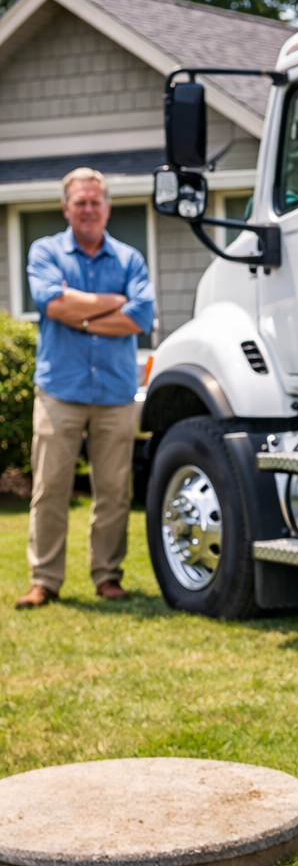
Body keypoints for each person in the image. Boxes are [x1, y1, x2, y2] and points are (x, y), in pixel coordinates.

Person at [16, 168, 155, 609]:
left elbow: (140, 318)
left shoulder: (130, 259)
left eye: (96, 201)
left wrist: (77, 309)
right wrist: (112, 302)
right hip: (60, 389)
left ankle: (108, 577)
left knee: (114, 492)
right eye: (80, 202)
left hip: (115, 393)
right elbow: (52, 304)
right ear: (66, 207)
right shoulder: (45, 251)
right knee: (51, 488)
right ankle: (44, 581)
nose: (89, 209)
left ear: (107, 206)